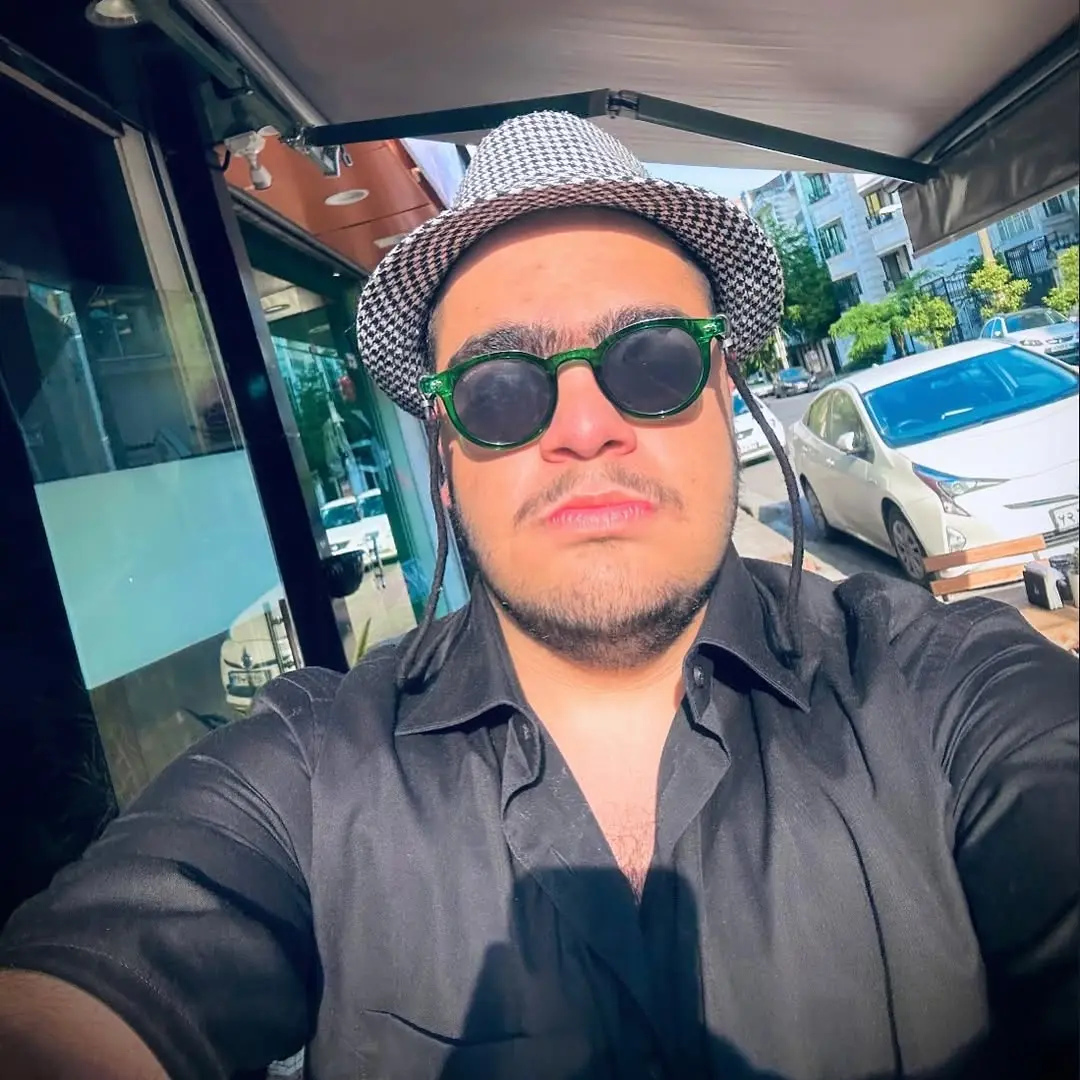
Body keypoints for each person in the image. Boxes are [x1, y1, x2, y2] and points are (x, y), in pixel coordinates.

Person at [0, 112, 1076, 1080]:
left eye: (651, 361)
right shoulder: (310, 773)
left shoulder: (944, 686)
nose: (584, 427)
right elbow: (87, 991)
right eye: (501, 389)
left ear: (724, 396)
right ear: (445, 461)